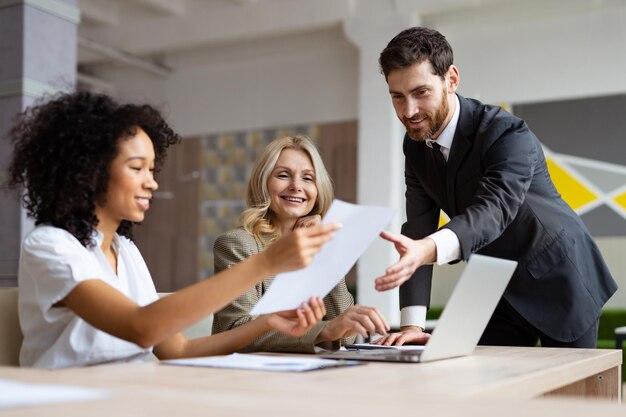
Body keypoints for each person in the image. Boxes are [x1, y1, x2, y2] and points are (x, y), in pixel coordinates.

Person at [7, 92, 338, 369]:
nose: (152, 182)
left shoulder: (126, 251)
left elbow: (177, 350)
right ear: (89, 172)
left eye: (152, 169)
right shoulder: (50, 246)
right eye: (137, 168)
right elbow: (142, 327)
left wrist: (268, 322)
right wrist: (266, 263)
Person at [372, 27, 617, 348]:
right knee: (488, 387)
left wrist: (429, 249)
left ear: (451, 79)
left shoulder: (506, 132)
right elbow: (418, 230)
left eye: (421, 92)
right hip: (494, 287)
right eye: (398, 97)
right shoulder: (415, 147)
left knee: (569, 394)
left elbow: (495, 209)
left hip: (559, 278)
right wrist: (411, 325)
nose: (409, 111)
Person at [212, 135, 389, 352]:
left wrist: (326, 251)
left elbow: (346, 339)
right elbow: (235, 330)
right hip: (249, 377)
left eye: (308, 178)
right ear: (263, 182)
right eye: (283, 175)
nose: (296, 186)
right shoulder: (237, 244)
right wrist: (324, 330)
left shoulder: (317, 247)